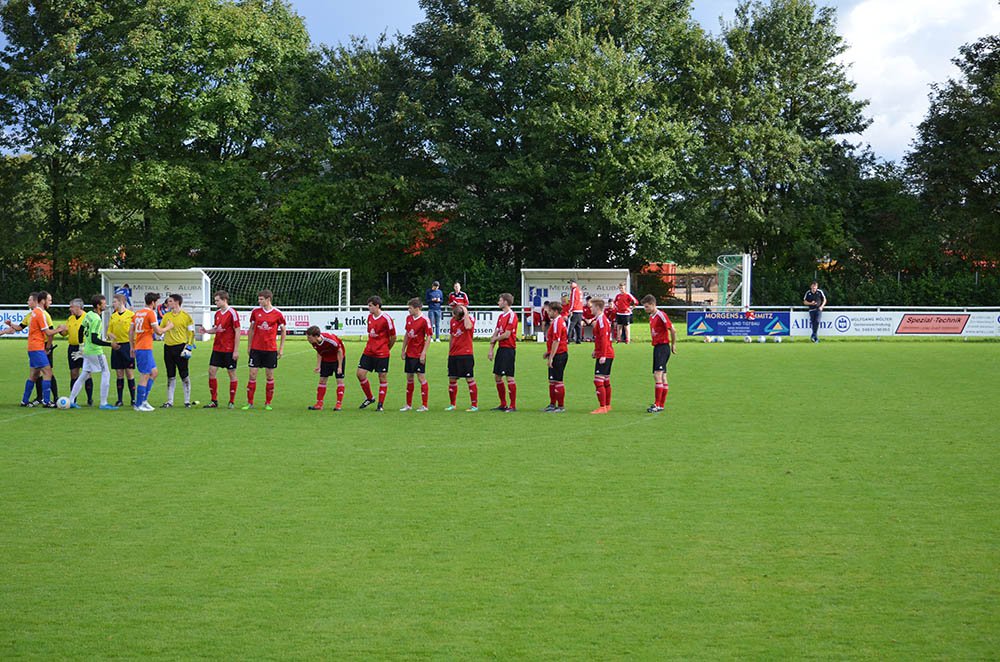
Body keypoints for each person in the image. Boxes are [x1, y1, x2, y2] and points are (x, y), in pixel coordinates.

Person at [2, 290, 65, 408]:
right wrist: (59, 329)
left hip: (33, 347)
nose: (50, 302)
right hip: (37, 347)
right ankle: (46, 401)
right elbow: (48, 332)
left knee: (34, 375)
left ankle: (24, 401)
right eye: (49, 300)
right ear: (43, 301)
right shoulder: (40, 314)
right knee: (47, 372)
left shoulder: (34, 313)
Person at [66, 295, 117, 410]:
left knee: (83, 375)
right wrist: (110, 345)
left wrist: (81, 346)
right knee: (106, 373)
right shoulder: (97, 319)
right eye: (103, 303)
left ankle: (71, 400)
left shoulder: (88, 314)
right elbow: (94, 339)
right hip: (95, 351)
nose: (105, 305)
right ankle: (103, 403)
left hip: (87, 351)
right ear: (98, 306)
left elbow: (80, 330)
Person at [130, 292, 173, 412]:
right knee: (145, 374)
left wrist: (132, 346)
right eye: (156, 302)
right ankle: (139, 404)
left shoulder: (137, 313)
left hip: (142, 347)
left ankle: (144, 400)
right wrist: (168, 327)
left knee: (154, 372)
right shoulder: (150, 313)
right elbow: (158, 331)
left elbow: (131, 330)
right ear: (153, 302)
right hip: (144, 348)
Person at [244, 289, 286, 410]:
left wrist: (281, 348)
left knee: (269, 376)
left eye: (261, 299)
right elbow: (251, 329)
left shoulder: (278, 313)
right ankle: (250, 403)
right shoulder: (255, 312)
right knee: (252, 374)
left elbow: (283, 331)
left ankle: (268, 403)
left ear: (268, 300)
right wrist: (249, 346)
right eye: (259, 299)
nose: (259, 301)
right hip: (256, 349)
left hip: (270, 349)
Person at [357, 295, 395, 411]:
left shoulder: (386, 319)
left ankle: (380, 404)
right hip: (368, 351)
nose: (368, 308)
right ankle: (370, 398)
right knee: (360, 374)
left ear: (377, 306)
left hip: (382, 353)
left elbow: (393, 337)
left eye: (370, 306)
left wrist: (386, 348)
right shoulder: (369, 317)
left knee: (382, 377)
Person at [202, 290, 240, 409]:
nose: (216, 302)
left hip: (229, 349)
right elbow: (216, 329)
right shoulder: (217, 314)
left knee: (231, 373)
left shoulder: (232, 313)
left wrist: (236, 350)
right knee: (211, 371)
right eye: (215, 301)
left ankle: (231, 401)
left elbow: (237, 331)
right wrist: (207, 331)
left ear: (224, 300)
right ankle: (214, 400)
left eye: (217, 300)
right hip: (217, 348)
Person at [160, 294, 197, 408]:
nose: (168, 303)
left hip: (180, 348)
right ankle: (170, 401)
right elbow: (161, 329)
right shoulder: (166, 316)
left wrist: (189, 346)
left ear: (176, 302)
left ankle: (187, 401)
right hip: (168, 348)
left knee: (184, 374)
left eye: (170, 301)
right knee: (170, 375)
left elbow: (191, 332)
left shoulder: (186, 316)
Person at [642, 295, 677, 413]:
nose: (645, 309)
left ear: (653, 305)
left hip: (662, 347)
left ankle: (657, 404)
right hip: (658, 347)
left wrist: (673, 344)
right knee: (663, 376)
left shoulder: (661, 315)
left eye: (647, 307)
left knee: (657, 375)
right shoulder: (651, 316)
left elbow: (672, 329)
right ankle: (661, 405)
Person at [488, 292, 518, 412]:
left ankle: (512, 405)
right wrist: (491, 349)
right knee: (497, 376)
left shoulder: (512, 316)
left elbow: (507, 334)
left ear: (505, 302)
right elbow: (496, 332)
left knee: (509, 377)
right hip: (501, 349)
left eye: (500, 300)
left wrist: (495, 339)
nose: (498, 302)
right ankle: (503, 404)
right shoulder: (501, 316)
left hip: (509, 349)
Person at [400, 297, 431, 411]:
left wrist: (423, 353)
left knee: (421, 377)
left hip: (418, 354)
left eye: (410, 308)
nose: (409, 310)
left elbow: (429, 337)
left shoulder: (425, 320)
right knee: (409, 377)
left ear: (417, 308)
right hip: (410, 353)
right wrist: (403, 349)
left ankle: (425, 405)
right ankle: (408, 405)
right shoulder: (409, 318)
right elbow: (407, 334)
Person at [306, 325, 346, 411]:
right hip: (326, 359)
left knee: (339, 380)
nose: (308, 339)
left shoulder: (331, 341)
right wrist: (318, 366)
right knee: (322, 380)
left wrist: (339, 366)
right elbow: (320, 352)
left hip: (338, 359)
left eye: (309, 337)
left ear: (316, 336)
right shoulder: (313, 342)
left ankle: (338, 404)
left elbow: (340, 351)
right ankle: (319, 404)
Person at [446, 304, 477, 411]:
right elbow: (452, 336)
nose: (453, 317)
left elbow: (468, 327)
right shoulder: (452, 321)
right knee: (452, 378)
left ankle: (474, 405)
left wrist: (466, 312)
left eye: (455, 316)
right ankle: (452, 405)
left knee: (469, 379)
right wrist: (450, 351)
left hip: (466, 354)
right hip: (453, 354)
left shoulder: (469, 319)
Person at [108, 293, 137, 407]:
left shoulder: (131, 315)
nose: (113, 304)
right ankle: (119, 400)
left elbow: (134, 332)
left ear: (121, 302)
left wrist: (133, 346)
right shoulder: (113, 316)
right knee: (119, 373)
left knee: (129, 373)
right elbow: (109, 331)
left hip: (127, 346)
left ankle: (133, 399)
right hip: (116, 346)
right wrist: (111, 336)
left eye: (114, 302)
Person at [63, 298, 93, 406]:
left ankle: (89, 399)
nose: (70, 309)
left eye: (71, 306)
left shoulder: (87, 317)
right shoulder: (70, 318)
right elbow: (65, 333)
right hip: (72, 347)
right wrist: (61, 330)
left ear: (78, 307)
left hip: (85, 348)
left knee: (87, 373)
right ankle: (73, 399)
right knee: (73, 373)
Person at [542, 300, 568, 413]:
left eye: (550, 311)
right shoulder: (557, 321)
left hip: (559, 355)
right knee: (552, 381)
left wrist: (551, 357)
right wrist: (548, 352)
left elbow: (556, 341)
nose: (548, 313)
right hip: (556, 353)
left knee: (558, 380)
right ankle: (552, 404)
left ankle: (561, 406)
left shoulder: (558, 322)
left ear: (555, 311)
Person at [589, 298, 615, 414]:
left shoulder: (601, 320)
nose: (590, 309)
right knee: (605, 380)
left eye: (592, 307)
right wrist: (596, 350)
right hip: (606, 353)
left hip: (606, 354)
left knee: (598, 380)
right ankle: (607, 405)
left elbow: (604, 338)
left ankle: (602, 407)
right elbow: (600, 339)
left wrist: (603, 354)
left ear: (597, 308)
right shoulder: (601, 319)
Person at [567, 279, 584, 344]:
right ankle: (578, 339)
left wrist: (570, 310)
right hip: (580, 310)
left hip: (575, 310)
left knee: (571, 325)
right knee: (578, 326)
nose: (570, 285)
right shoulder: (579, 290)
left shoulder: (574, 290)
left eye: (571, 283)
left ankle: (568, 339)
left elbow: (574, 301)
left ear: (575, 283)